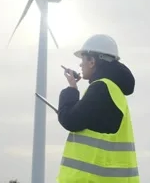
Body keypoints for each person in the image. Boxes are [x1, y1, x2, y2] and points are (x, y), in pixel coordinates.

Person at [56, 34, 140, 183]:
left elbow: (70, 120)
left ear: (92, 61)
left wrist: (71, 89)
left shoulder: (101, 88)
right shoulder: (113, 90)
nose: (80, 65)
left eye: (82, 60)